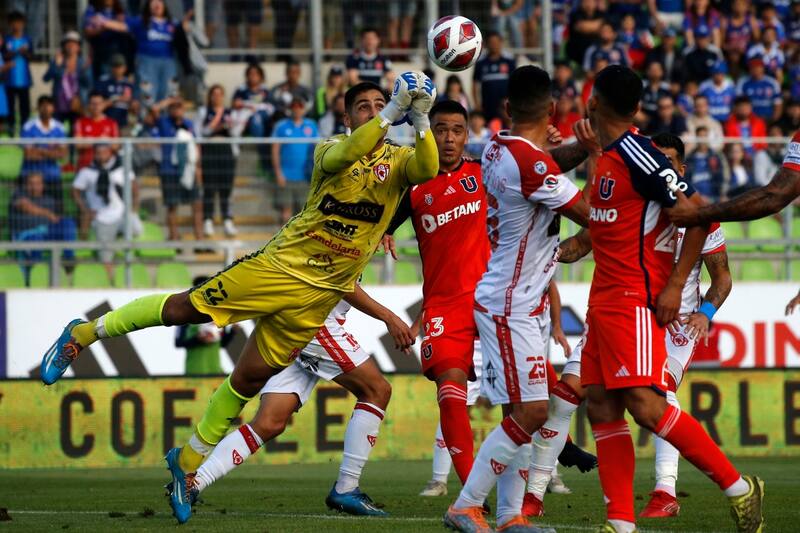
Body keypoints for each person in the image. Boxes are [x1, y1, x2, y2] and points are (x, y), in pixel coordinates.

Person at [39, 73, 439, 524]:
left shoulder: (399, 161)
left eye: (380, 103)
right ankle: (83, 334)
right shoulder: (330, 149)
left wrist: (422, 120)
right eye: (363, 106)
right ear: (347, 118)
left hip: (317, 301)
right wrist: (392, 112)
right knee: (184, 309)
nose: (373, 110)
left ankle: (188, 462)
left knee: (248, 381)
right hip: (278, 269)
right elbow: (350, 152)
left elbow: (427, 169)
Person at [572, 64, 762, 533]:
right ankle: (621, 523)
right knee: (601, 406)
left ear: (593, 102)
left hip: (634, 299)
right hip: (603, 301)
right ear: (637, 105)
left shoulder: (642, 156)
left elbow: (699, 214)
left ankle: (739, 488)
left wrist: (676, 284)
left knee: (647, 404)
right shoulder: (611, 155)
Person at [527, 132, 734, 522]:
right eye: (655, 158)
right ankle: (534, 495)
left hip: (676, 323)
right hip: (622, 310)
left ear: (682, 168)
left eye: (668, 161)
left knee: (658, 395)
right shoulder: (630, 202)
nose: (660, 166)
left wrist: (704, 313)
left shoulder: (696, 216)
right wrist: (547, 254)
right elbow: (580, 244)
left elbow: (722, 278)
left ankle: (665, 491)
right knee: (565, 395)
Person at [443, 66, 590, 533]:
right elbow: (592, 214)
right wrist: (601, 155)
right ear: (553, 110)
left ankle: (510, 517)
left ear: (507, 108)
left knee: (518, 412)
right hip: (512, 305)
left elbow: (544, 163)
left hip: (520, 299)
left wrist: (575, 148)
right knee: (532, 412)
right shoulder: (531, 164)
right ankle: (465, 505)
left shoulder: (497, 147)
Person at [186, 283, 410, 518]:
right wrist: (389, 317)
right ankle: (347, 488)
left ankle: (194, 484)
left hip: (293, 322)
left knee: (269, 423)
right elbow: (342, 282)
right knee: (377, 390)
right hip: (314, 321)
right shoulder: (347, 257)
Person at [72, 144, 140, 278]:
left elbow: (135, 190)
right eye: (98, 152)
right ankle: (111, 281)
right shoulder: (87, 172)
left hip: (122, 214)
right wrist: (85, 209)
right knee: (106, 255)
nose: (101, 155)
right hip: (102, 218)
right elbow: (75, 191)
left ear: (110, 153)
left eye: (104, 152)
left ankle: (116, 242)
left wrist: (134, 210)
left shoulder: (122, 169)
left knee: (137, 229)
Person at [151, 98, 203, 242]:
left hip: (189, 170)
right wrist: (169, 100)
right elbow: (154, 109)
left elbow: (196, 146)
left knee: (197, 204)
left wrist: (198, 168)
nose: (176, 110)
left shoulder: (189, 124)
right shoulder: (164, 122)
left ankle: (200, 239)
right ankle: (174, 238)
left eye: (179, 107)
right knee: (172, 206)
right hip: (169, 170)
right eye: (173, 107)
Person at [126, 0, 190, 104]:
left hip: (168, 61)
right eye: (153, 2)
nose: (157, 4)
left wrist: (185, 28)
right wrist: (104, 22)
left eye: (159, 2)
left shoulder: (173, 23)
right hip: (146, 60)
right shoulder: (141, 21)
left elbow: (183, 42)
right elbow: (124, 26)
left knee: (168, 91)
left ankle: (164, 113)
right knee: (147, 91)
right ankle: (147, 112)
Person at [10, 172, 77, 264]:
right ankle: (35, 265)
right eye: (31, 183)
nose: (34, 186)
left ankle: (68, 259)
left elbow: (55, 219)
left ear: (42, 185)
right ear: (26, 185)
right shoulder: (18, 195)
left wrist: (57, 219)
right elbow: (26, 206)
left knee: (68, 222)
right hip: (27, 235)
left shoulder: (49, 200)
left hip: (47, 233)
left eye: (38, 183)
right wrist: (48, 214)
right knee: (37, 238)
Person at [176, 276, 237, 375]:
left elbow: (222, 344)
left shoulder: (218, 315)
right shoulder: (185, 315)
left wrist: (233, 331)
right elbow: (178, 342)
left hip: (215, 369)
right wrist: (198, 339)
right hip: (194, 371)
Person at [271, 97, 319, 223]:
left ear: (304, 109)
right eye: (294, 107)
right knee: (286, 212)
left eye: (299, 107)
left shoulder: (311, 125)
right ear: (290, 109)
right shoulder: (281, 126)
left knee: (303, 212)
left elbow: (317, 149)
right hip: (286, 176)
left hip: (305, 176)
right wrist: (278, 173)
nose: (296, 109)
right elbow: (275, 150)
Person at [198, 84, 237, 238]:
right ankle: (208, 219)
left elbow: (235, 132)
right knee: (209, 186)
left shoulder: (230, 112)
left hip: (226, 150)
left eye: (220, 94)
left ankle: (227, 219)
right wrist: (216, 123)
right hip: (210, 149)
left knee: (226, 187)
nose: (217, 97)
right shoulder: (204, 111)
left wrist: (230, 125)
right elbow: (202, 132)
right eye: (214, 94)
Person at [21, 96, 68, 213]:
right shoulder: (28, 127)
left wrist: (40, 150)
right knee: (29, 211)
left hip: (52, 175)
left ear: (53, 108)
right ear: (38, 108)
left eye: (49, 105)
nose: (46, 108)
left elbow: (63, 154)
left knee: (58, 209)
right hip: (31, 175)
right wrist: (52, 151)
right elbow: (29, 155)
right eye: (43, 105)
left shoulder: (59, 127)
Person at [231, 63, 275, 173]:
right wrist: (248, 106)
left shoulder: (265, 90)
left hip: (263, 120)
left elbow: (271, 107)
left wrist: (255, 107)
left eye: (256, 74)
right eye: (250, 74)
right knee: (248, 119)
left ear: (261, 76)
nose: (253, 76)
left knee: (257, 119)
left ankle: (261, 146)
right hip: (245, 118)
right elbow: (235, 104)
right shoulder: (241, 89)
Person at [43, 31, 92, 125]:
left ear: (79, 47)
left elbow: (89, 84)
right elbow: (46, 79)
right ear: (63, 46)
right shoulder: (57, 61)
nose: (71, 46)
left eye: (74, 43)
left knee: (75, 131)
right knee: (58, 131)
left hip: (77, 105)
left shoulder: (83, 63)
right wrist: (56, 66)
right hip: (59, 105)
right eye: (68, 43)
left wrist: (84, 71)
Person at [82, 0, 133, 81]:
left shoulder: (121, 10)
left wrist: (103, 22)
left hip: (119, 51)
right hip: (100, 51)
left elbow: (127, 28)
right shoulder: (93, 9)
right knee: (102, 80)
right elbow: (88, 31)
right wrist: (110, 26)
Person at [472, 31, 516, 122]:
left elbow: (515, 83)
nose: (494, 45)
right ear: (486, 44)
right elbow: (475, 85)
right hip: (487, 107)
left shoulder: (509, 62)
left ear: (501, 43)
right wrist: (477, 104)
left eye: (496, 42)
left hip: (506, 109)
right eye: (491, 42)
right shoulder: (481, 63)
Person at [3, 11, 33, 133]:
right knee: (10, 106)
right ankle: (11, 129)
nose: (17, 25)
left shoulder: (27, 39)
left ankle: (24, 129)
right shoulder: (6, 39)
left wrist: (25, 52)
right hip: (9, 80)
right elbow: (4, 56)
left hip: (24, 81)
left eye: (19, 23)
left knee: (24, 107)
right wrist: (16, 52)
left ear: (23, 24)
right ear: (10, 24)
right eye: (14, 23)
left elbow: (32, 56)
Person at [74, 91, 120, 170]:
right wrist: (99, 140)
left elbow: (116, 146)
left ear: (104, 104)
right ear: (88, 105)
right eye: (93, 104)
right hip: (85, 166)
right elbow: (77, 144)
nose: (96, 106)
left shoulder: (112, 123)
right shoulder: (80, 122)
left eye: (99, 103)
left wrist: (104, 141)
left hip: (107, 167)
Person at [95, 54, 136, 131]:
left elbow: (134, 104)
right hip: (107, 122)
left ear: (125, 67)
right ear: (110, 67)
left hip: (124, 122)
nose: (117, 69)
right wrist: (116, 99)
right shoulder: (103, 82)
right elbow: (97, 103)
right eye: (115, 66)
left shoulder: (128, 84)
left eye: (119, 66)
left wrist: (132, 104)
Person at [685, 126, 726, 202]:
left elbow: (720, 179)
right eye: (700, 136)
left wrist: (719, 195)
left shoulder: (715, 157)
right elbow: (686, 180)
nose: (703, 140)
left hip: (713, 197)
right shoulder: (689, 158)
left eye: (705, 136)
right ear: (696, 138)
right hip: (694, 199)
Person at [736, 57, 782, 122]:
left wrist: (774, 120)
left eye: (758, 67)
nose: (755, 70)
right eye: (753, 68)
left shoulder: (772, 83)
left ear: (763, 68)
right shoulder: (743, 82)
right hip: (748, 119)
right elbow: (739, 103)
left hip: (768, 117)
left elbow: (778, 103)